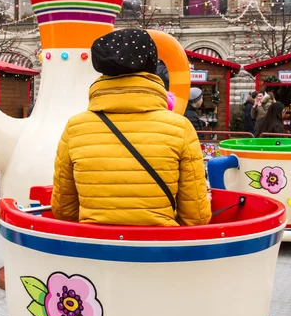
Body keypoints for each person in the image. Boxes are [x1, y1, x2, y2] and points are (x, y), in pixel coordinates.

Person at [51, 29, 211, 227]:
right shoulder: (180, 128)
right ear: (151, 65)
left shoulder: (75, 128)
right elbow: (196, 217)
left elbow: (63, 210)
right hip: (161, 249)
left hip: (94, 249)